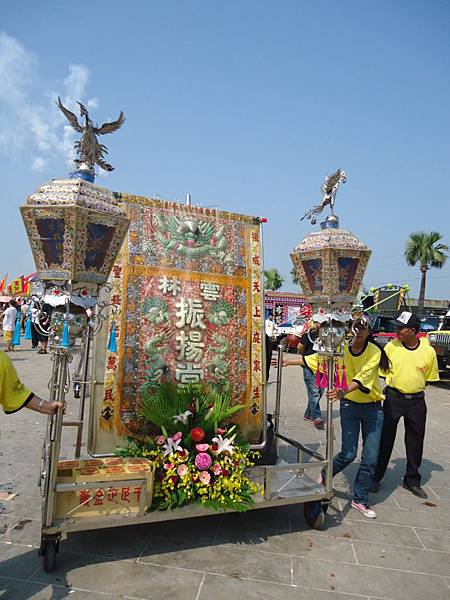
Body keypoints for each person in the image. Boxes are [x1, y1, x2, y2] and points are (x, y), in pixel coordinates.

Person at [283, 317, 388, 518]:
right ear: (350, 328)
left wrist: (342, 391)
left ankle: (360, 499)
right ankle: (325, 473)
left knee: (371, 458)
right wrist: (289, 361)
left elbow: (363, 377)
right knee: (349, 454)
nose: (358, 331)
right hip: (349, 406)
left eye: (362, 327)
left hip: (373, 409)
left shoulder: (374, 352)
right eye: (355, 326)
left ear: (368, 331)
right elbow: (318, 359)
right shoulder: (342, 348)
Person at [371, 311, 439, 499]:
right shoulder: (392, 347)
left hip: (416, 402)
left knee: (415, 441)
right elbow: (383, 372)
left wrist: (412, 387)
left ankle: (412, 480)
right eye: (397, 327)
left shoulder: (428, 352)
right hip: (393, 399)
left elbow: (428, 378)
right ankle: (376, 476)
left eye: (401, 328)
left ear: (413, 330)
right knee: (385, 438)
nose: (396, 330)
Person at [0, 349, 61, 415]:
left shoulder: (2, 359)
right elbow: (15, 393)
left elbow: (15, 392)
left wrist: (46, 406)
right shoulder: (2, 359)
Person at [297, 321, 324, 429]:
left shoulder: (330, 336)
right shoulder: (309, 334)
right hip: (309, 367)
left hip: (323, 367)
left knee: (320, 391)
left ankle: (308, 413)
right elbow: (300, 347)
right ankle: (317, 416)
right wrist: (306, 357)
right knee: (314, 393)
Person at [265, 313, 278, 382]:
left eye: (272, 316)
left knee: (269, 353)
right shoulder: (265, 322)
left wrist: (274, 336)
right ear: (268, 316)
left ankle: (266, 376)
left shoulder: (273, 323)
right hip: (265, 337)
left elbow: (275, 329)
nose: (271, 317)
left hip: (270, 338)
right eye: (270, 316)